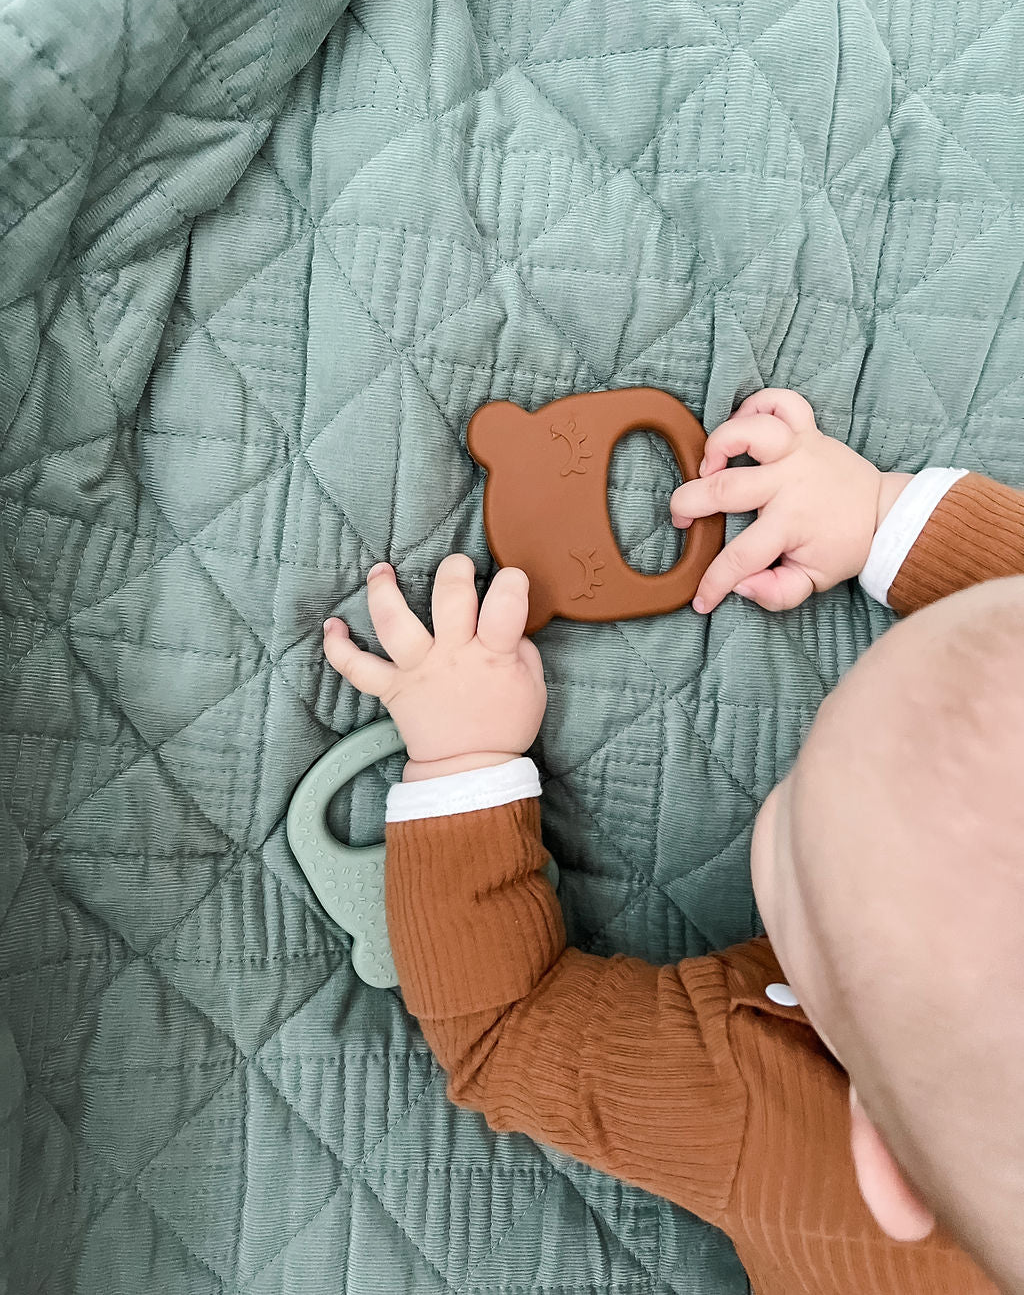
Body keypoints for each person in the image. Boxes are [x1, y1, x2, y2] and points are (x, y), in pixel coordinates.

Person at [322, 389, 1024, 1294]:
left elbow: (507, 1033)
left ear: (882, 1160)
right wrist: (881, 516)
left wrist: (464, 757)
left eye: (809, 834)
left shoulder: (777, 1129)